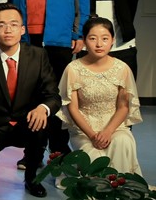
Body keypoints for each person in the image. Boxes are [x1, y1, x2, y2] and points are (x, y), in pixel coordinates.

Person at [2, 0, 90, 168]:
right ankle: (33, 153)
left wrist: (79, 32)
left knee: (58, 96)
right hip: (25, 38)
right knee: (29, 97)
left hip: (59, 37)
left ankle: (59, 151)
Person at [0, 3, 60, 198]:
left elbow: (53, 95)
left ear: (22, 29)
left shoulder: (38, 56)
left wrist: (43, 108)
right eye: (1, 25)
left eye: (14, 24)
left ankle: (32, 178)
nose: (8, 30)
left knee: (42, 124)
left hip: (27, 122)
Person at [56, 17, 143, 175]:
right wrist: (92, 135)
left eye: (104, 39)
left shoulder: (122, 68)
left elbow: (123, 107)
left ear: (112, 41)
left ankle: (120, 185)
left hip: (114, 127)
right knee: (94, 159)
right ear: (84, 40)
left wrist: (108, 132)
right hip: (84, 130)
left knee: (123, 142)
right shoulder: (73, 69)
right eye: (92, 38)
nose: (99, 44)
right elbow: (72, 108)